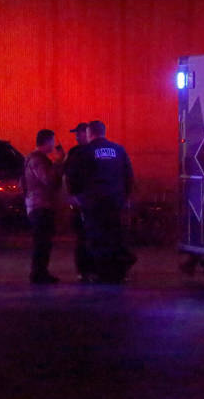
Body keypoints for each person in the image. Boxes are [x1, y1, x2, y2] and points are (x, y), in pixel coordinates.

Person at [69, 120, 135, 283]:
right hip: (115, 202)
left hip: (93, 203)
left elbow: (74, 176)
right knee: (115, 236)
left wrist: (76, 197)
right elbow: (129, 175)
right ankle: (117, 273)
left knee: (95, 237)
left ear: (90, 133)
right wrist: (126, 197)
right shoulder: (119, 150)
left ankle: (100, 273)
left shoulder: (84, 152)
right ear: (105, 132)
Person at [24, 128, 64, 284]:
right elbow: (49, 180)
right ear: (47, 141)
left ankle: (40, 272)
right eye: (53, 141)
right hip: (41, 205)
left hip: (35, 204)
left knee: (42, 241)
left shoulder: (30, 159)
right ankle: (39, 274)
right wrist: (59, 163)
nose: (54, 145)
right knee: (43, 242)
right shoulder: (38, 160)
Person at [63, 122, 92, 281]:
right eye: (76, 133)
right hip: (81, 200)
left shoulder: (87, 151)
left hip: (86, 199)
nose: (76, 136)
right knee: (82, 237)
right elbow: (67, 174)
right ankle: (83, 270)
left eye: (79, 133)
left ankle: (87, 269)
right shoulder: (75, 152)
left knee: (86, 237)